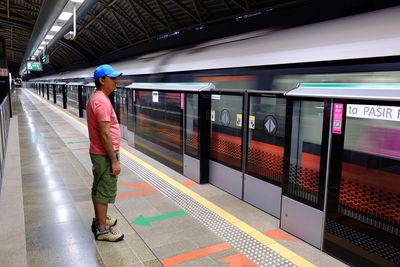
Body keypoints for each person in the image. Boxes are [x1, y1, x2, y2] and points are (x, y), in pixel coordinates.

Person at [87, 64, 124, 242]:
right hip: (104, 154)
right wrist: (114, 160)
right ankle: (102, 230)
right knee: (104, 190)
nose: (116, 81)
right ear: (102, 80)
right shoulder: (101, 101)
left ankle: (100, 220)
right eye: (112, 78)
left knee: (98, 187)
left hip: (98, 152)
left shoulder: (97, 97)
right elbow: (104, 133)